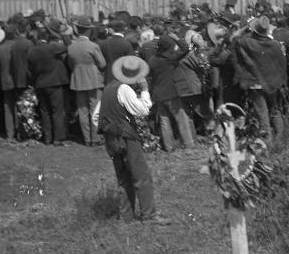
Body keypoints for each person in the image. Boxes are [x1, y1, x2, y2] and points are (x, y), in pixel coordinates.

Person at [98, 55, 171, 225]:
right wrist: (145, 90)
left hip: (110, 138)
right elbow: (142, 110)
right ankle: (149, 215)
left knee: (124, 177)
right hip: (126, 137)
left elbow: (96, 116)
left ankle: (126, 216)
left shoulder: (108, 88)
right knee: (141, 176)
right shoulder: (125, 89)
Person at [232, 16, 287, 140]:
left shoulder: (248, 43)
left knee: (262, 112)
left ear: (254, 30)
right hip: (272, 83)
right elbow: (282, 64)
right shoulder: (274, 45)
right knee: (275, 110)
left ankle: (267, 141)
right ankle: (280, 137)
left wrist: (245, 27)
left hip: (256, 83)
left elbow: (234, 38)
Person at [148, 34, 194, 151]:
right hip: (171, 93)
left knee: (164, 120)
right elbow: (185, 49)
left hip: (158, 94)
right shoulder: (170, 58)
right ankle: (188, 143)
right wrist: (177, 38)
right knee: (181, 118)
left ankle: (169, 146)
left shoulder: (152, 60)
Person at [67, 16, 107, 146]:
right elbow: (102, 64)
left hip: (78, 80)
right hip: (94, 80)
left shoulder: (71, 47)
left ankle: (87, 139)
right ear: (89, 31)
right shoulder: (93, 46)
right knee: (95, 110)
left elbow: (70, 65)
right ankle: (95, 138)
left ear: (77, 30)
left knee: (82, 111)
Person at [28, 24, 70, 145]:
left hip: (40, 83)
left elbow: (30, 69)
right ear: (46, 37)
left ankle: (47, 138)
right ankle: (58, 138)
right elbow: (68, 45)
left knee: (45, 111)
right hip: (54, 83)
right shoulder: (51, 47)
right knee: (57, 111)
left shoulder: (31, 51)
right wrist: (61, 33)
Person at [0, 24, 18, 141]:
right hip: (17, 80)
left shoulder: (0, 49)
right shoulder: (17, 46)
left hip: (5, 81)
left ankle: (10, 134)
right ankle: (20, 132)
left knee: (7, 107)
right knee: (18, 106)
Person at [100, 19, 134, 84]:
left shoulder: (104, 43)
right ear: (124, 30)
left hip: (108, 76)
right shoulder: (126, 44)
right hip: (122, 78)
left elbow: (101, 62)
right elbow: (131, 62)